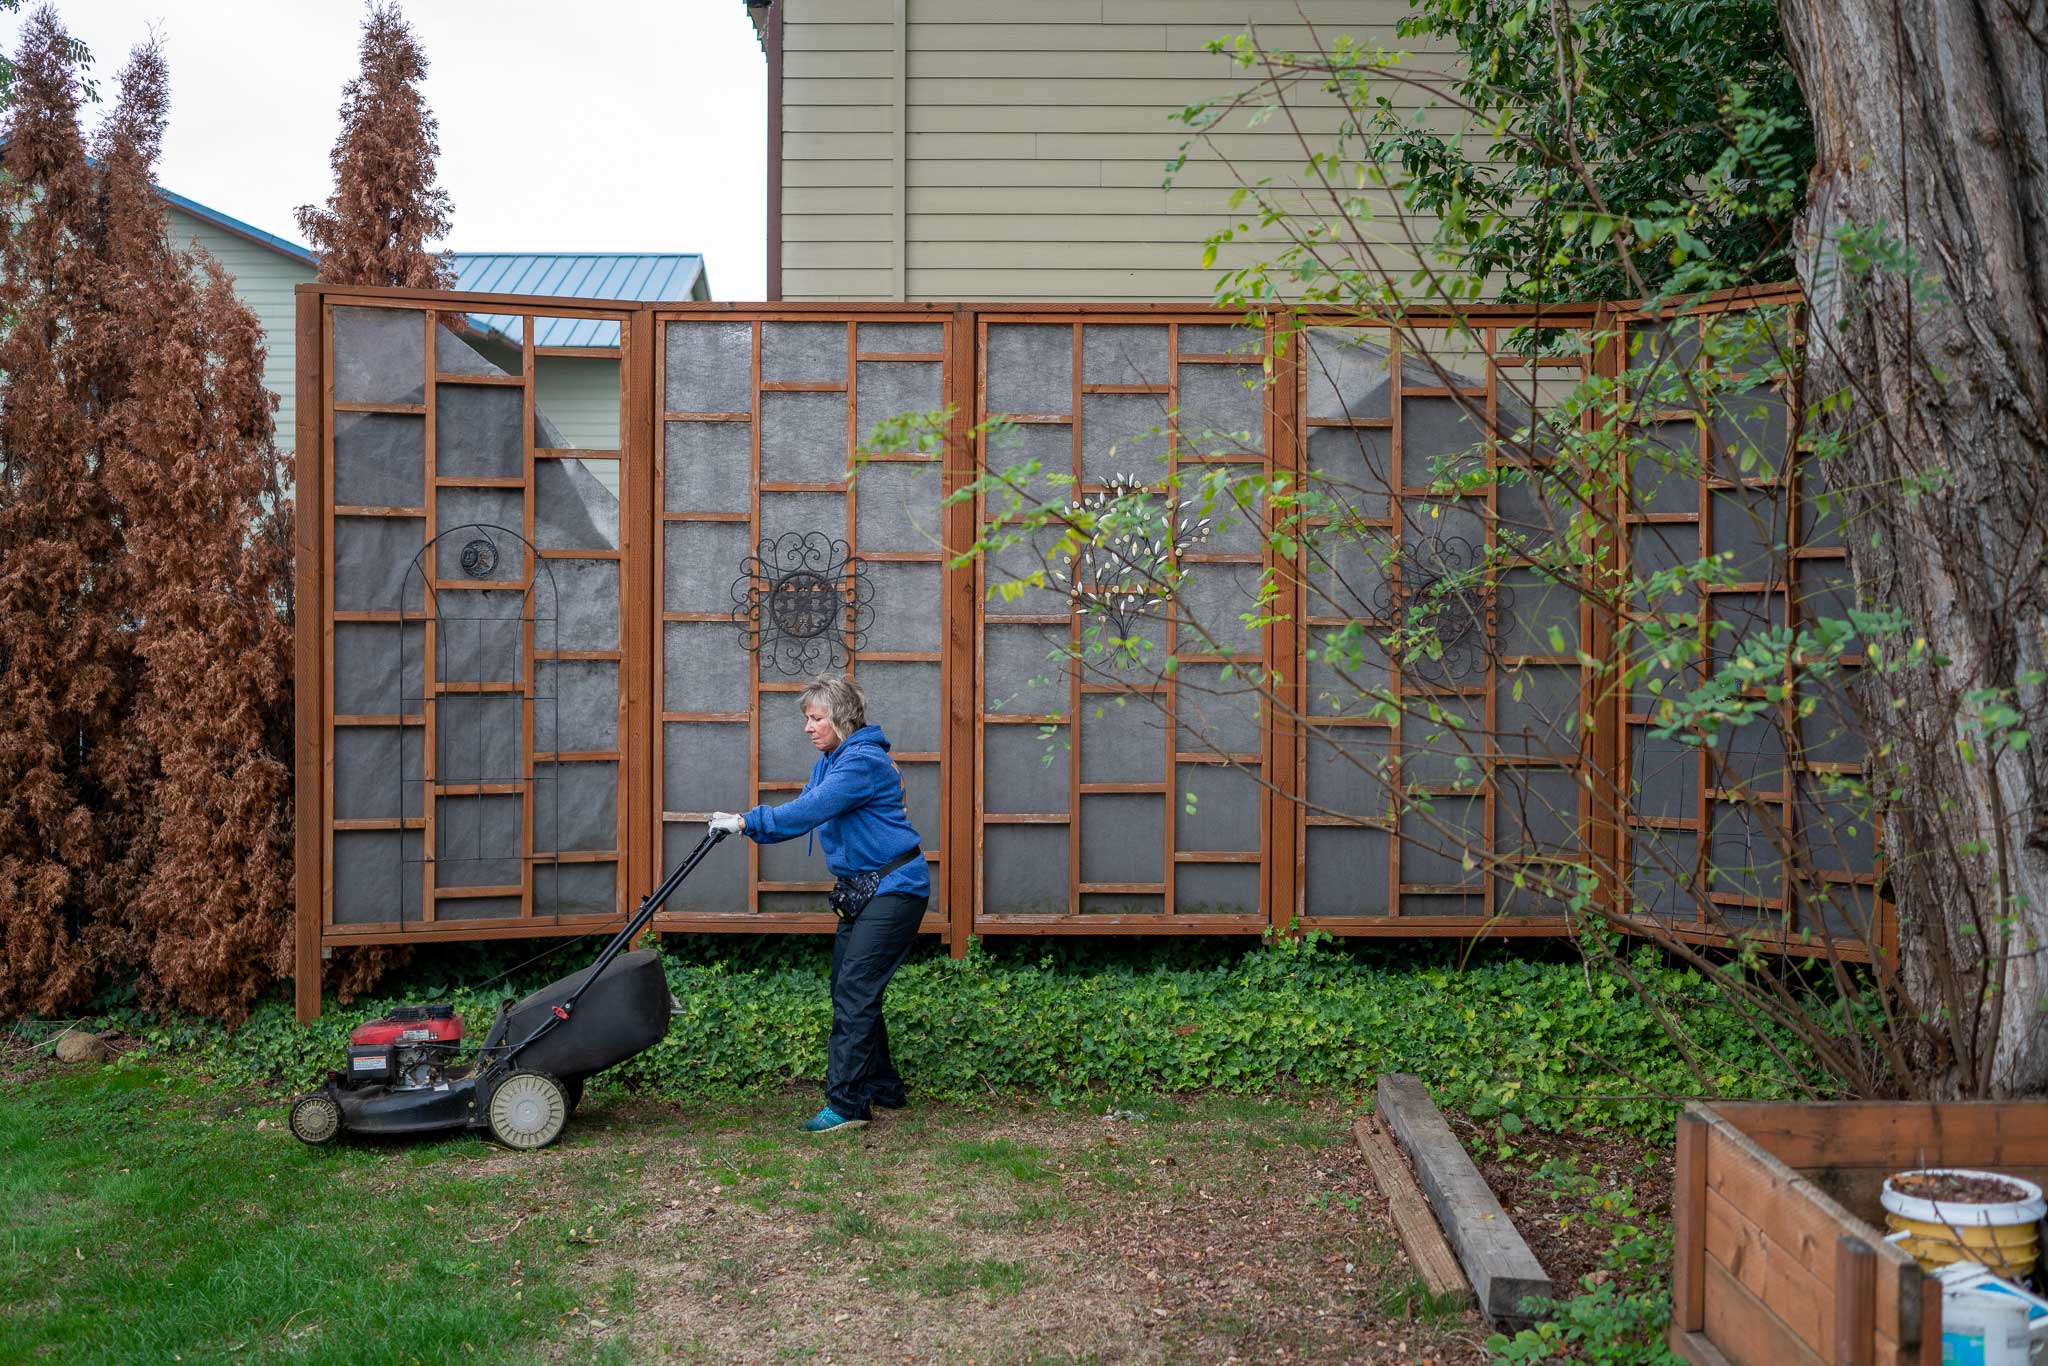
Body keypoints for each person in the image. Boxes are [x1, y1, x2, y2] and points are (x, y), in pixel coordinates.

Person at [709, 675, 929, 1134]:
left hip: (894, 889)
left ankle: (847, 1104)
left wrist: (749, 821)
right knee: (850, 989)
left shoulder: (862, 762)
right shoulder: (831, 761)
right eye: (807, 719)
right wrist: (748, 824)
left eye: (816, 718)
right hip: (863, 889)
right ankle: (883, 1086)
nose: (808, 727)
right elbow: (803, 807)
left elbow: (809, 812)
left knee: (854, 991)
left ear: (842, 719)